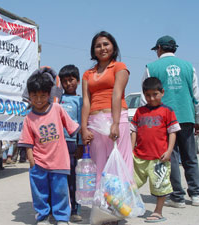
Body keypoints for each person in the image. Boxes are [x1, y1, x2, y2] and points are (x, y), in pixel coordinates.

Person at [142, 35, 199, 207]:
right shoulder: (188, 67)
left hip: (164, 118)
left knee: (171, 156)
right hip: (186, 116)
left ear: (159, 49)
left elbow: (144, 97)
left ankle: (177, 197)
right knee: (190, 156)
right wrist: (198, 118)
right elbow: (196, 95)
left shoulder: (152, 67)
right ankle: (196, 194)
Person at [18, 69, 80, 225]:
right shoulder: (28, 118)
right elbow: (28, 141)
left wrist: (84, 137)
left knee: (60, 191)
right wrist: (32, 161)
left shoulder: (57, 109)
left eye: (42, 96)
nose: (38, 100)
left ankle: (61, 217)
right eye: (34, 96)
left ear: (49, 95)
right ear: (29, 96)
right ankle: (43, 216)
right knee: (40, 192)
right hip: (38, 162)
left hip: (59, 160)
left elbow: (72, 127)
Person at [81, 31, 133, 185]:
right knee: (99, 166)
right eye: (98, 46)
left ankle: (123, 206)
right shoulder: (87, 74)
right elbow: (86, 102)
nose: (102, 48)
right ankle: (102, 205)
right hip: (94, 122)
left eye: (106, 44)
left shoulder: (119, 67)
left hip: (116, 118)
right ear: (93, 50)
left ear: (113, 47)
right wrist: (84, 128)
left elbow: (116, 95)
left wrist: (115, 123)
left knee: (121, 163)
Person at [131, 77, 181, 223]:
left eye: (155, 94)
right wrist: (130, 149)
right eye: (148, 95)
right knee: (130, 183)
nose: (151, 98)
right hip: (139, 157)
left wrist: (169, 150)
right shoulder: (140, 111)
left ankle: (158, 212)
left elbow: (173, 132)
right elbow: (133, 130)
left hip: (159, 158)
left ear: (162, 92)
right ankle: (130, 206)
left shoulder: (167, 111)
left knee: (160, 185)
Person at [59, 64, 83, 222]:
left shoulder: (80, 101)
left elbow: (81, 123)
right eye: (64, 81)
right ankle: (59, 208)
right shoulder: (58, 99)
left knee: (73, 178)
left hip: (72, 144)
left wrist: (81, 144)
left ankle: (75, 210)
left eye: (71, 80)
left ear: (78, 81)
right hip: (57, 144)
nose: (68, 84)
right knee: (58, 178)